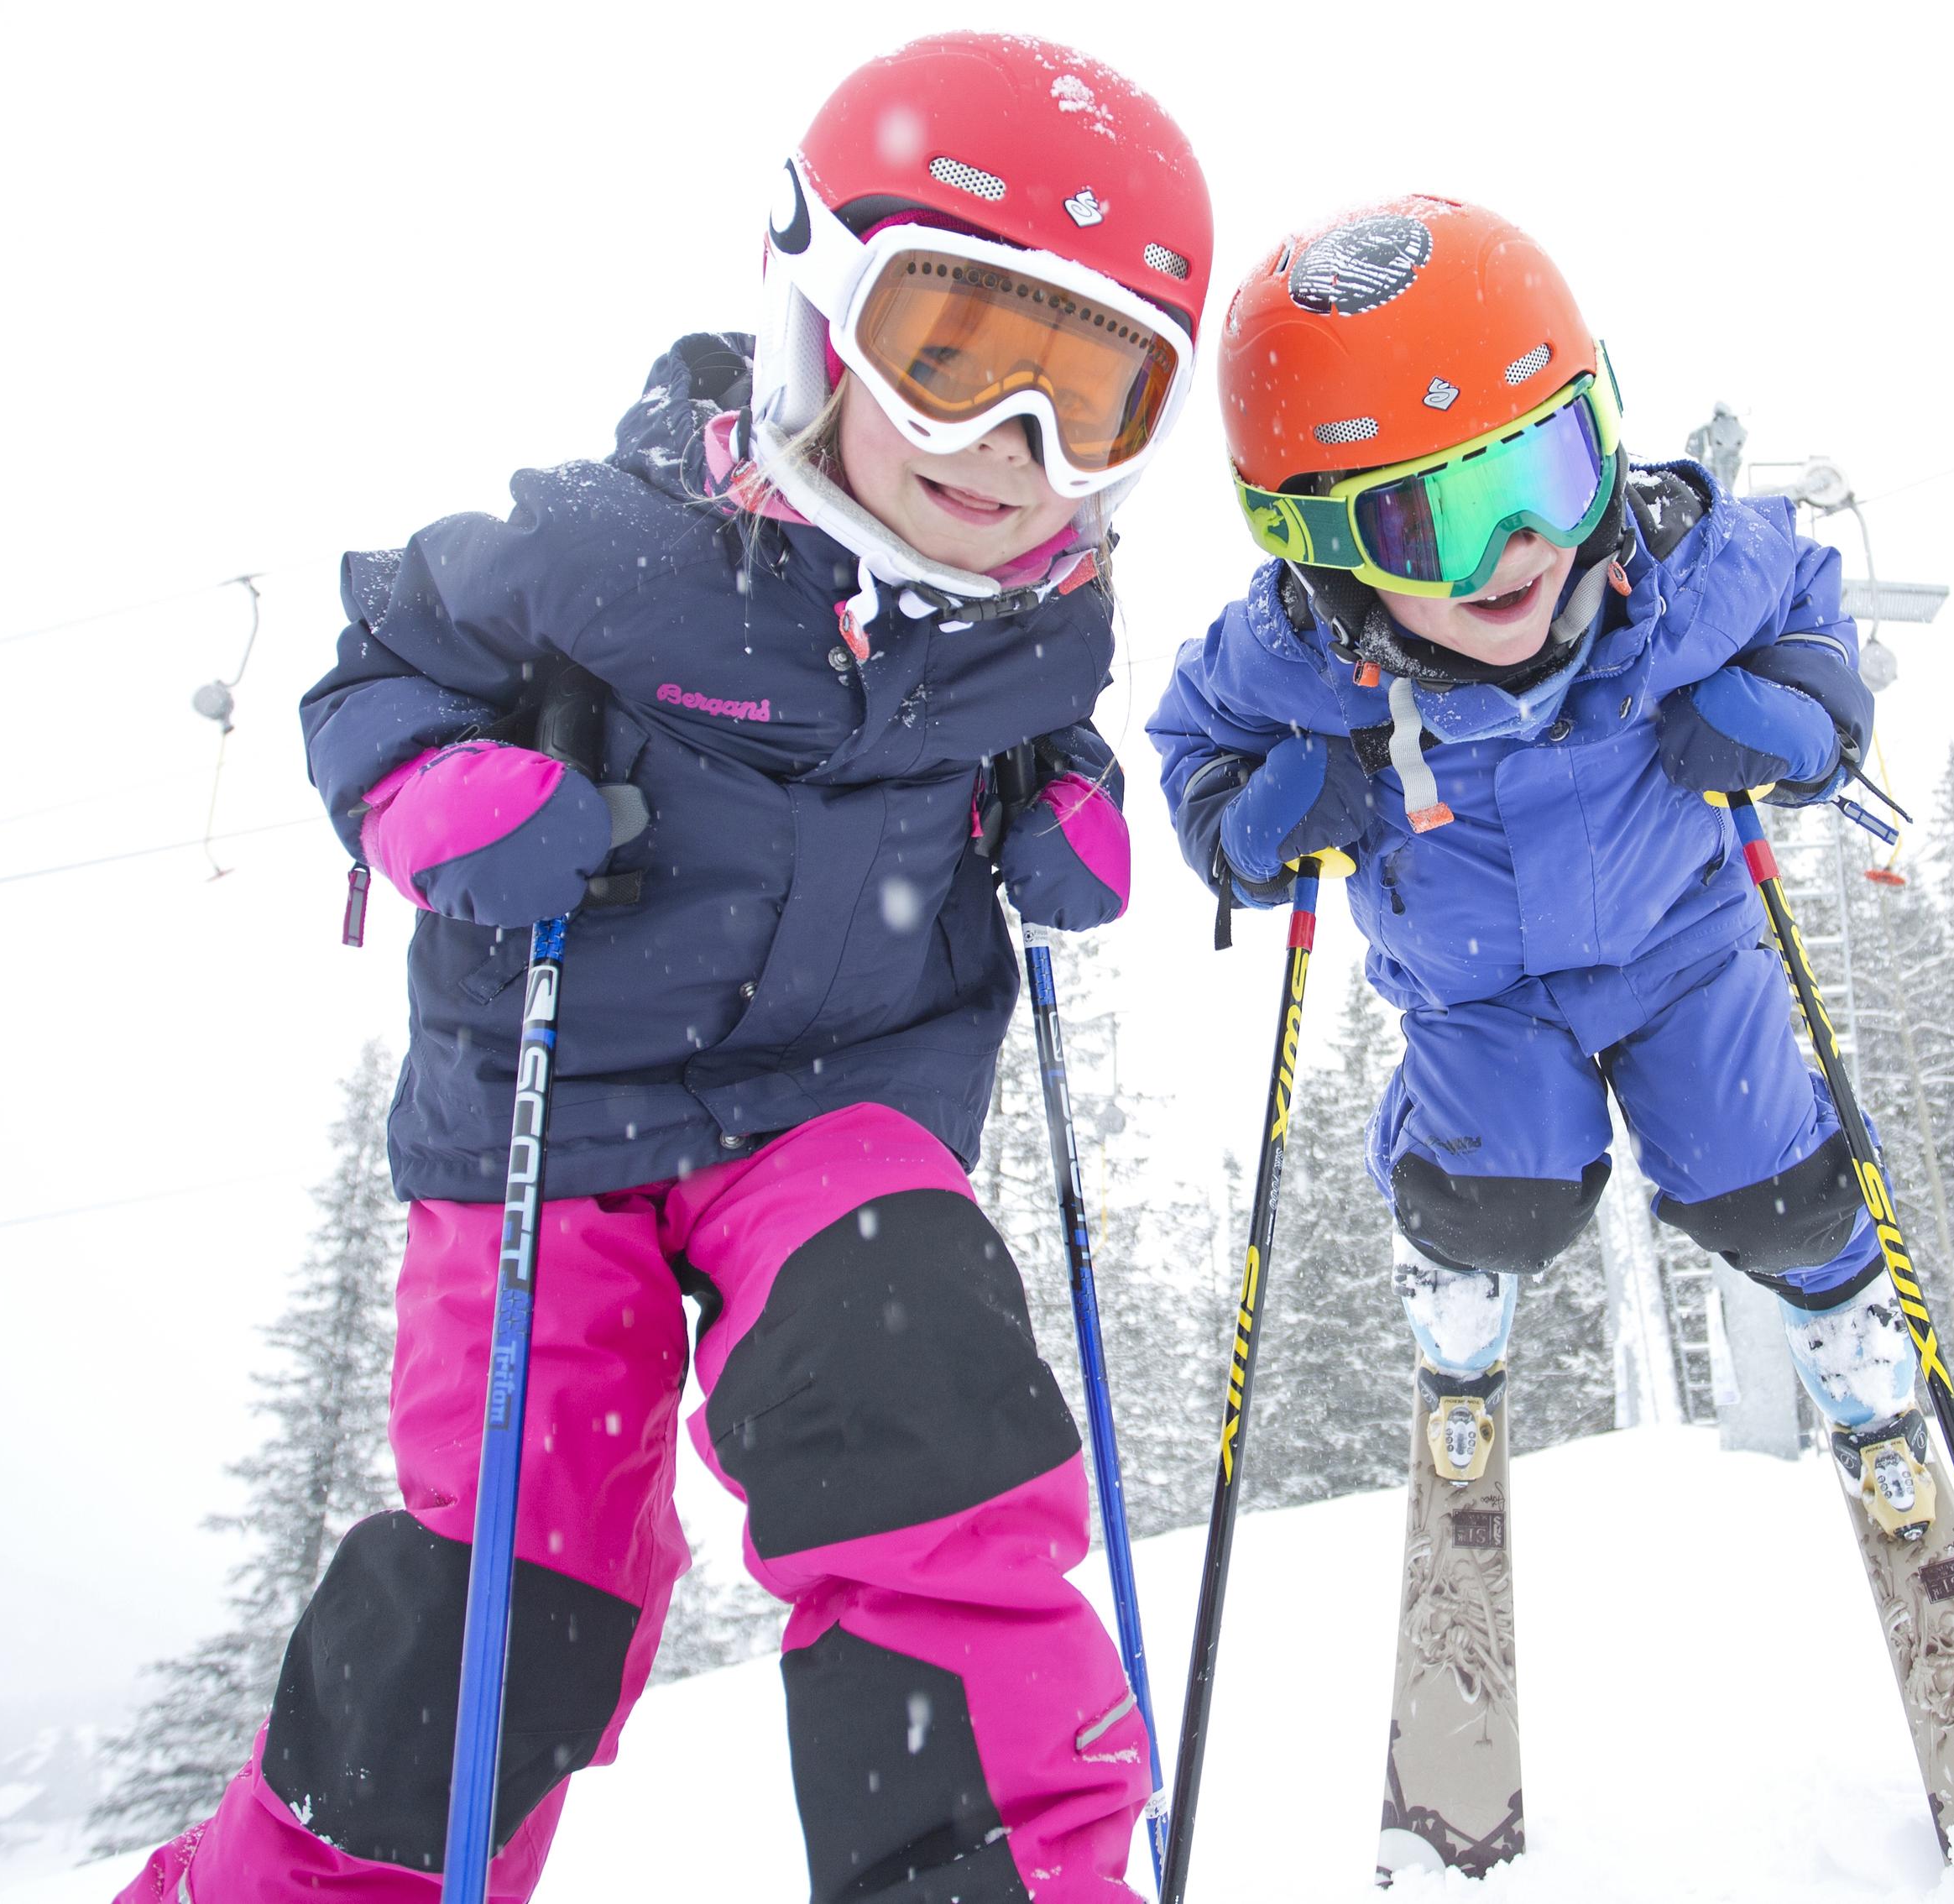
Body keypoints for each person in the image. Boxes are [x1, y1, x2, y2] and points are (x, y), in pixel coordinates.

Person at [118, 34, 1208, 1904]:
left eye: (1090, 398)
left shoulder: (1043, 622)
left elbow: (1046, 747)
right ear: (818, 311)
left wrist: (1070, 807)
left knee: (928, 1416)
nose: (1010, 449)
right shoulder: (601, 552)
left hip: (840, 1111)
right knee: (520, 1587)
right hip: (557, 1124)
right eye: (950, 354)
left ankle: (1005, 1876)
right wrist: (430, 793)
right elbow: (376, 667)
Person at [1149, 196, 1929, 1538]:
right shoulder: (1300, 655)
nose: (1514, 550)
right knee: (1496, 1197)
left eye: (1546, 474)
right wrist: (1249, 821)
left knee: (1771, 1184)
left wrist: (1802, 713)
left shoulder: (1679, 575)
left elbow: (1806, 600)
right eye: (1430, 521)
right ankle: (1454, 1268)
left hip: (1685, 952)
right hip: (1478, 990)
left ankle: (1845, 1309)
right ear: (1317, 544)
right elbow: (1194, 739)